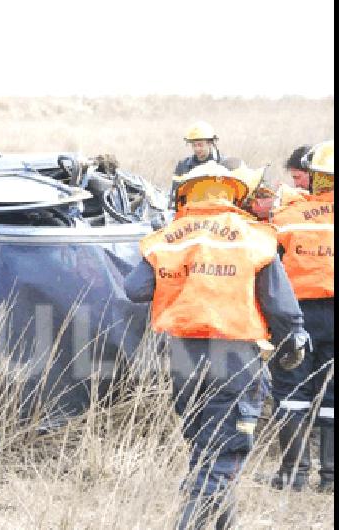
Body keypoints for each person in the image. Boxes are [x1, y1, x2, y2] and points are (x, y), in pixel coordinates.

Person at [125, 160, 307, 529]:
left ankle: (223, 522)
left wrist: (179, 277)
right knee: (224, 453)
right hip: (236, 357)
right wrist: (293, 343)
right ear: (233, 192)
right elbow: (283, 311)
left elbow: (135, 290)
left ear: (186, 192)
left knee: (203, 446)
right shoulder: (254, 237)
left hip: (182, 356)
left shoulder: (167, 236)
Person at [268, 140, 334, 493]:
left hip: (297, 315)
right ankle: (331, 477)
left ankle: (292, 475)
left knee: (292, 391)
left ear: (314, 176)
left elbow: (268, 270)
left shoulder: (287, 218)